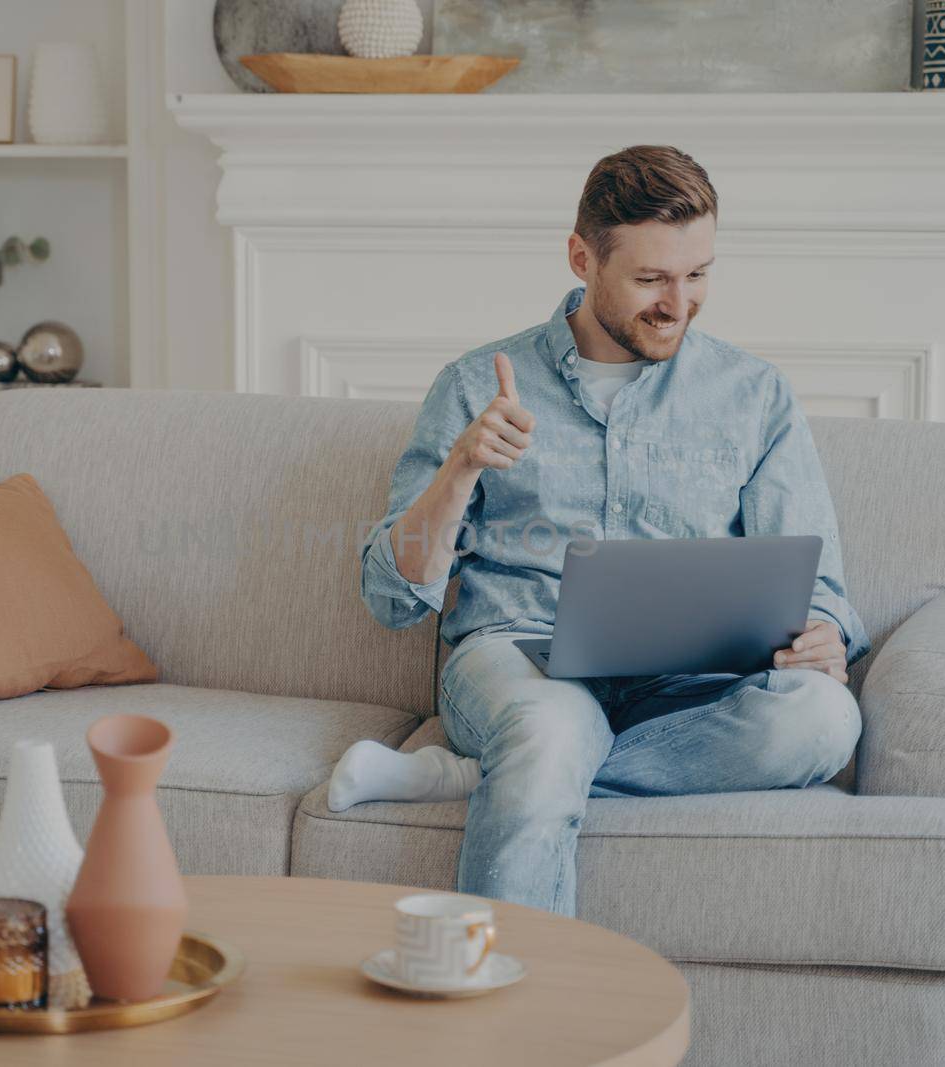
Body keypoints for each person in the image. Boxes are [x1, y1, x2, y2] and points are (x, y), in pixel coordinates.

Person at [332, 145, 872, 917]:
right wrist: (460, 469)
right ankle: (513, 1026)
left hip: (691, 685)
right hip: (522, 658)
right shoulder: (474, 383)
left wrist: (822, 629)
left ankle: (489, 774)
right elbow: (391, 597)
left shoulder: (754, 395)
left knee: (825, 719)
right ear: (582, 257)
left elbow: (818, 583)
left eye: (698, 275)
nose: (678, 303)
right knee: (549, 731)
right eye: (651, 279)